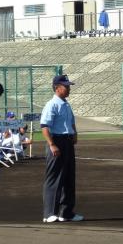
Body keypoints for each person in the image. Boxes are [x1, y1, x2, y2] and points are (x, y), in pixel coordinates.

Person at [40, 75, 84, 223]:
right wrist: (52, 144)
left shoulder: (66, 104)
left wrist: (75, 133)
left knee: (69, 177)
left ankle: (66, 212)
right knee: (55, 177)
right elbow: (45, 126)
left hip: (67, 141)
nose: (69, 89)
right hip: (56, 140)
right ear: (57, 87)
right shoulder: (51, 104)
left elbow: (71, 121)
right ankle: (49, 213)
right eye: (66, 86)